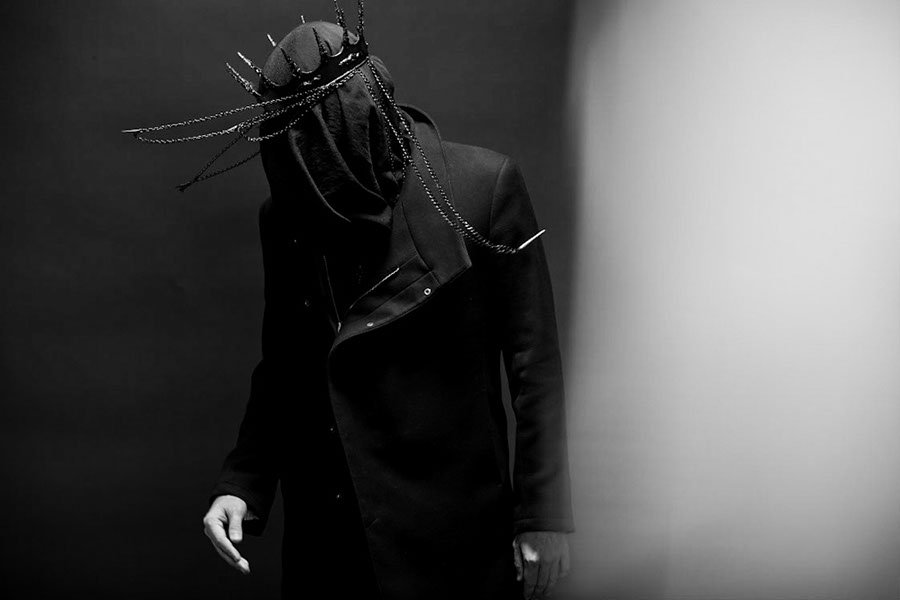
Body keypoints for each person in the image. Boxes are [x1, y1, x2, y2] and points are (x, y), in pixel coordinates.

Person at [125, 4, 572, 598]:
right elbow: (285, 362)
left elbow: (534, 364)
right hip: (330, 526)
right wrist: (242, 484)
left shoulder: (482, 187)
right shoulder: (288, 216)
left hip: (452, 526)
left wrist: (543, 514)